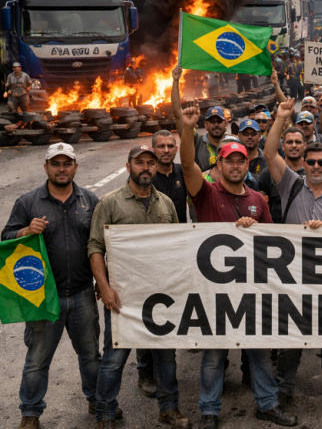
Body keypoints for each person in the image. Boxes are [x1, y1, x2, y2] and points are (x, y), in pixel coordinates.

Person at [178, 102, 296, 428]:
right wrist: (187, 128)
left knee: (259, 353)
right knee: (214, 356)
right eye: (228, 160)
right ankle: (209, 411)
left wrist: (256, 230)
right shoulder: (205, 192)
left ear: (247, 165)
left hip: (252, 290)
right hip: (215, 292)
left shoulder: (258, 200)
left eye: (240, 160)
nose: (235, 165)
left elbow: (273, 243)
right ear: (218, 164)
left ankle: (267, 404)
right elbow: (187, 164)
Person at [264, 99, 322, 410]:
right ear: (302, 163)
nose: (316, 167)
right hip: (292, 280)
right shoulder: (289, 185)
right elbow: (269, 154)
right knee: (291, 342)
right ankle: (284, 389)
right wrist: (280, 117)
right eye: (311, 162)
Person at [88, 145, 190, 429]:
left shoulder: (166, 204)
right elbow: (95, 247)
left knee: (166, 357)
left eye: (150, 163)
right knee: (114, 359)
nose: (145, 167)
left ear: (156, 167)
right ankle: (105, 414)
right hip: (123, 297)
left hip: (161, 296)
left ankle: (168, 409)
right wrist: (104, 287)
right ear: (128, 165)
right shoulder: (110, 203)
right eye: (139, 162)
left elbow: (177, 245)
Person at [3, 143, 101, 429]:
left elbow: (100, 243)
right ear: (45, 167)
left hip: (83, 292)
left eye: (66, 163)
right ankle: (30, 413)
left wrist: (103, 281)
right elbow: (6, 237)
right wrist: (25, 230)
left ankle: (97, 401)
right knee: (37, 360)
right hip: (45, 297)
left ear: (75, 167)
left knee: (91, 356)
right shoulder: (28, 202)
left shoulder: (90, 200)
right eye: (55, 163)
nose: (61, 169)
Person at [171, 66, 223, 172]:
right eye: (212, 122)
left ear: (226, 124)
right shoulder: (197, 141)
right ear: (205, 125)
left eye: (219, 121)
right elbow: (177, 112)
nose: (216, 125)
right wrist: (176, 81)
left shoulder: (232, 143)